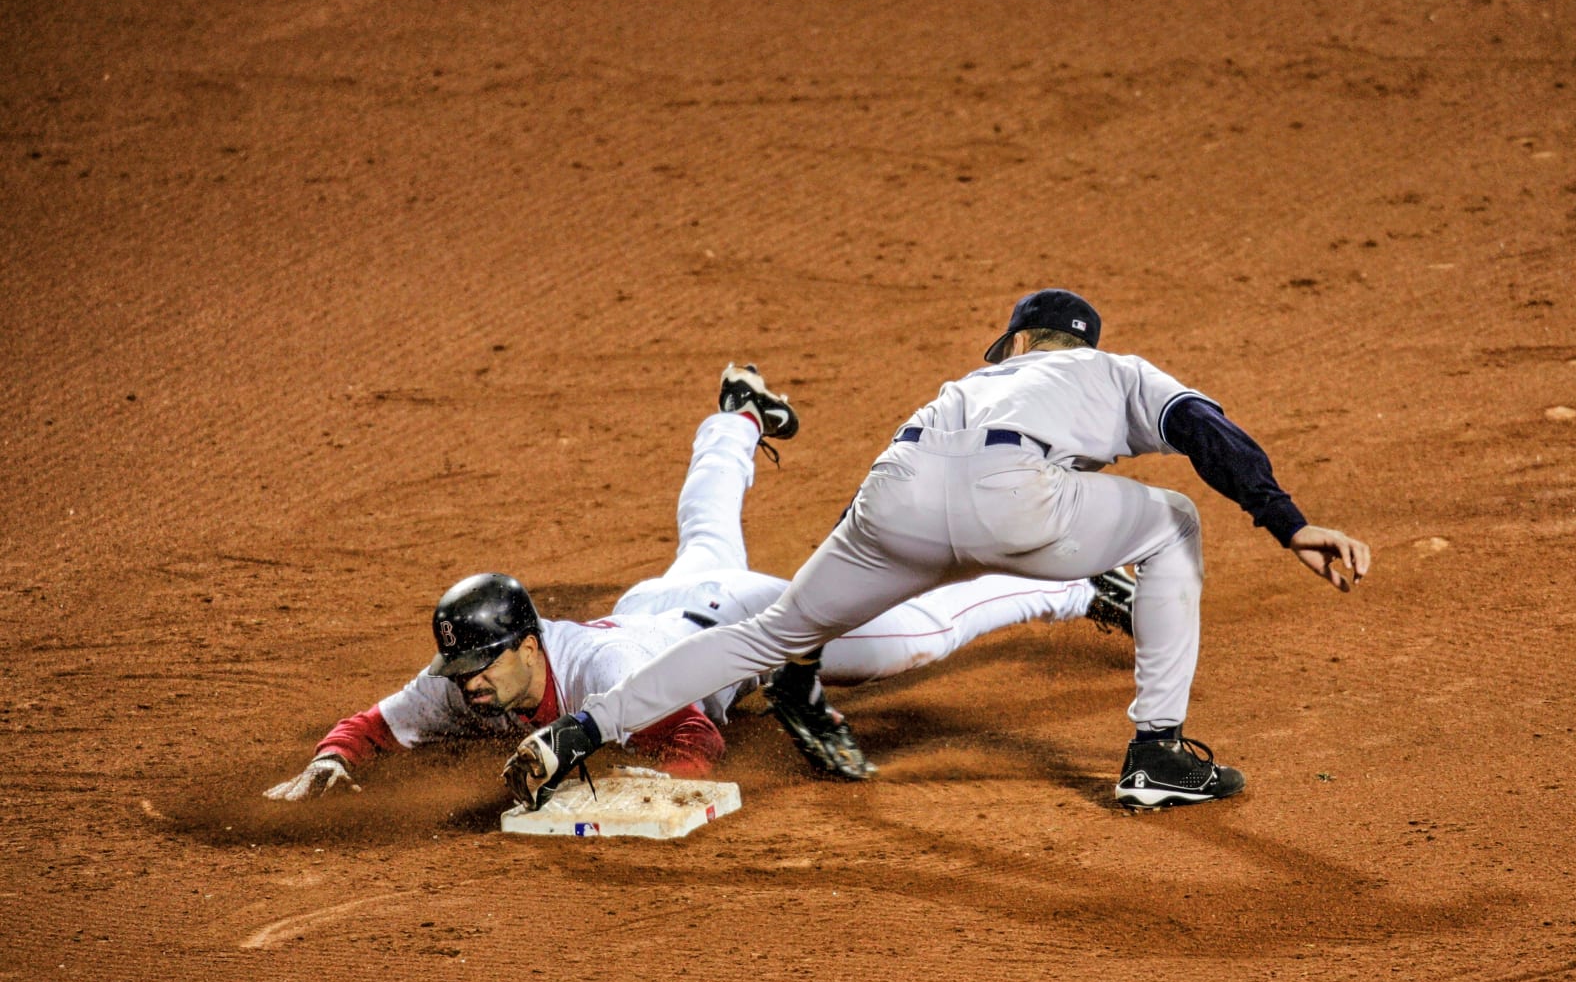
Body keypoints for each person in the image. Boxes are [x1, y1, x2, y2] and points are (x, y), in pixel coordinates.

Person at [504, 289, 1371, 813]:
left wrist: (813, 624)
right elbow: (1203, 431)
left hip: (895, 499)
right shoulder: (1119, 372)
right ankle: (1157, 753)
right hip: (1017, 501)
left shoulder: (968, 383)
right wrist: (1285, 520)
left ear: (1021, 343)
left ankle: (581, 730)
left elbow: (866, 501)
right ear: (1082, 346)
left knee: (766, 632)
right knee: (1173, 520)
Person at [265, 364, 1135, 800]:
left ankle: (1077, 583)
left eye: (482, 668)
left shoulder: (606, 679)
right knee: (706, 537)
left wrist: (642, 791)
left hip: (750, 625)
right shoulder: (471, 677)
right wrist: (333, 762)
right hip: (664, 608)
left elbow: (693, 743)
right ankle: (741, 417)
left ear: (526, 644)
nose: (472, 685)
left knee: (908, 639)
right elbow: (379, 722)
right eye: (463, 675)